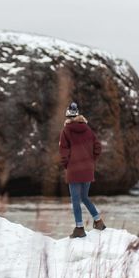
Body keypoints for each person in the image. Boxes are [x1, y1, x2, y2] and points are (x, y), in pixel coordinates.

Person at [59, 102, 106, 238]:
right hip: (87, 169)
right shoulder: (88, 129)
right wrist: (90, 161)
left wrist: (67, 165)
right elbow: (98, 148)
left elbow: (63, 152)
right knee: (84, 197)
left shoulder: (66, 131)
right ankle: (98, 221)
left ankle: (79, 228)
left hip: (74, 170)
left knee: (75, 200)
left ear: (68, 116)